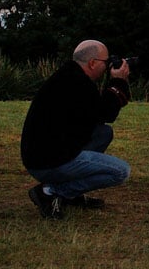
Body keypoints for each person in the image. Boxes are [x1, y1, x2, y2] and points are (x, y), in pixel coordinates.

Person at [21, 39, 132, 219]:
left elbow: (97, 116)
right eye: (106, 62)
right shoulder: (78, 84)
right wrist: (118, 81)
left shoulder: (69, 77)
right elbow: (106, 113)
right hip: (49, 162)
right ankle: (50, 192)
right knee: (120, 171)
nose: (108, 66)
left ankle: (71, 195)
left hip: (46, 153)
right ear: (92, 63)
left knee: (103, 133)